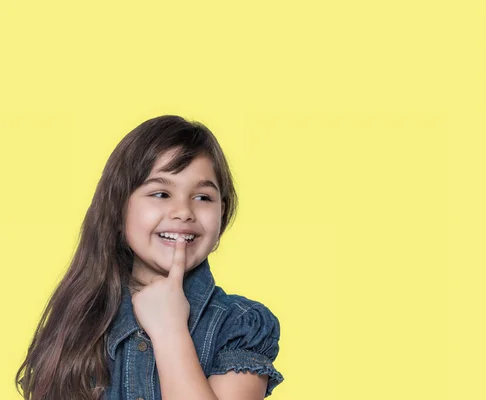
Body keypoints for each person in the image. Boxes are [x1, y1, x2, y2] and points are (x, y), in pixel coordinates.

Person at [15, 115, 284, 399]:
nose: (183, 211)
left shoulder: (241, 326)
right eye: (161, 193)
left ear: (222, 214)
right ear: (119, 209)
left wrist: (170, 330)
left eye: (203, 197)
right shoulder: (78, 322)